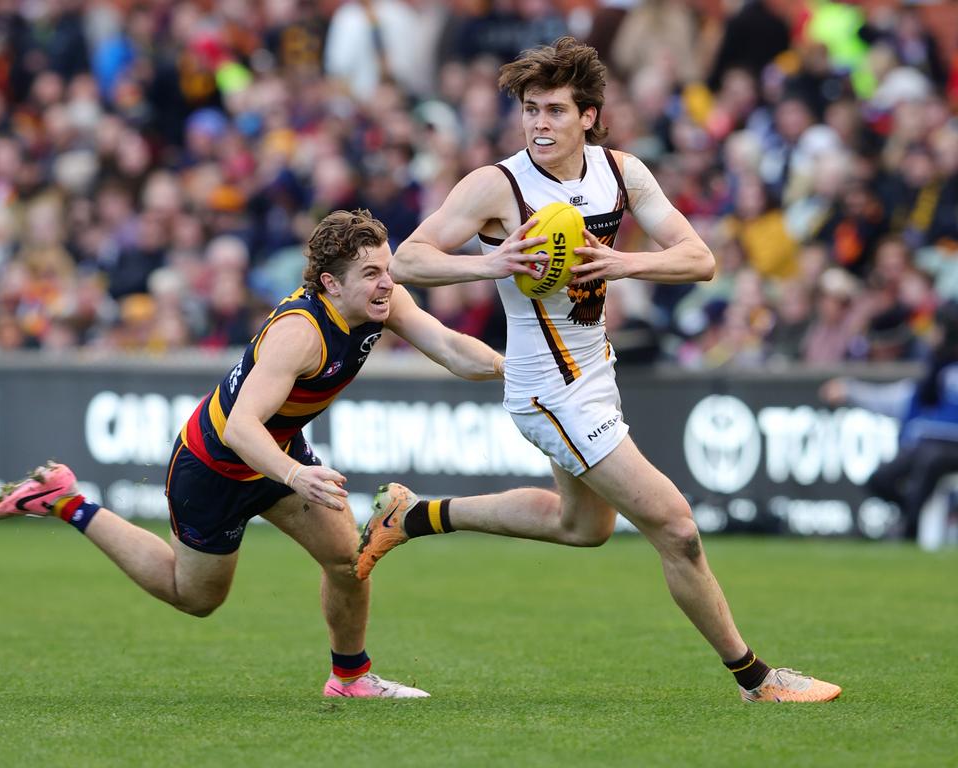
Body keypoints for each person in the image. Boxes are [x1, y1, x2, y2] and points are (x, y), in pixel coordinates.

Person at [355, 37, 840, 703]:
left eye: (554, 110)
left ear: (589, 115)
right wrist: (492, 263)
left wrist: (621, 262)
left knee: (582, 527)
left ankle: (413, 515)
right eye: (530, 110)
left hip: (595, 373)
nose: (539, 124)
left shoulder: (622, 173)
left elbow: (700, 259)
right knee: (677, 528)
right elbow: (407, 259)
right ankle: (757, 680)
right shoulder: (498, 184)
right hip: (548, 390)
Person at [0, 210, 506, 698]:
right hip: (214, 467)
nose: (387, 282)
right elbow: (239, 428)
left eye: (387, 269)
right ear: (331, 283)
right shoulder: (300, 333)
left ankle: (350, 678)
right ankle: (67, 502)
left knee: (349, 561)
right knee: (195, 598)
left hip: (279, 455)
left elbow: (453, 348)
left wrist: (517, 371)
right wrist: (297, 475)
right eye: (371, 273)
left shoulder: (383, 304)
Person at [821, 300, 958, 541]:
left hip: (948, 448)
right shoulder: (934, 369)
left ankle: (909, 531)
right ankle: (912, 514)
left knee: (930, 459)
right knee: (881, 477)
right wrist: (850, 391)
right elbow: (896, 399)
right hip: (927, 446)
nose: (931, 335)